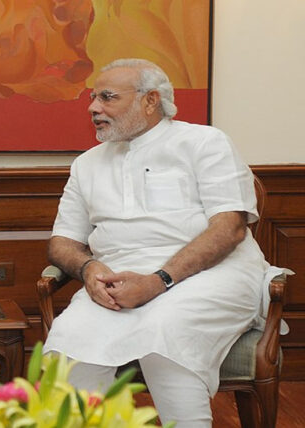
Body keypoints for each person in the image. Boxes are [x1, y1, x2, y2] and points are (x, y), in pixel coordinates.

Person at [43, 58, 269, 427]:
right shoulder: (86, 164)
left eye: (107, 97)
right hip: (116, 281)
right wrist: (89, 268)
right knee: (70, 344)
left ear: (150, 100)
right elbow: (62, 242)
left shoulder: (204, 142)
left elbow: (230, 229)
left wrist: (158, 281)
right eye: (93, 98)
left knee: (164, 333)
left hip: (212, 274)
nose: (93, 107)